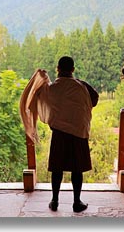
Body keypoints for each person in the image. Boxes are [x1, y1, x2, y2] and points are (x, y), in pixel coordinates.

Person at [20, 56, 99, 213]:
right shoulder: (81, 86)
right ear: (73, 70)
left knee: (57, 169)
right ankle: (77, 202)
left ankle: (54, 201)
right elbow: (94, 99)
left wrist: (40, 78)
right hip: (78, 131)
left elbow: (37, 98)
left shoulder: (52, 88)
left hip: (59, 133)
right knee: (77, 169)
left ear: (57, 69)